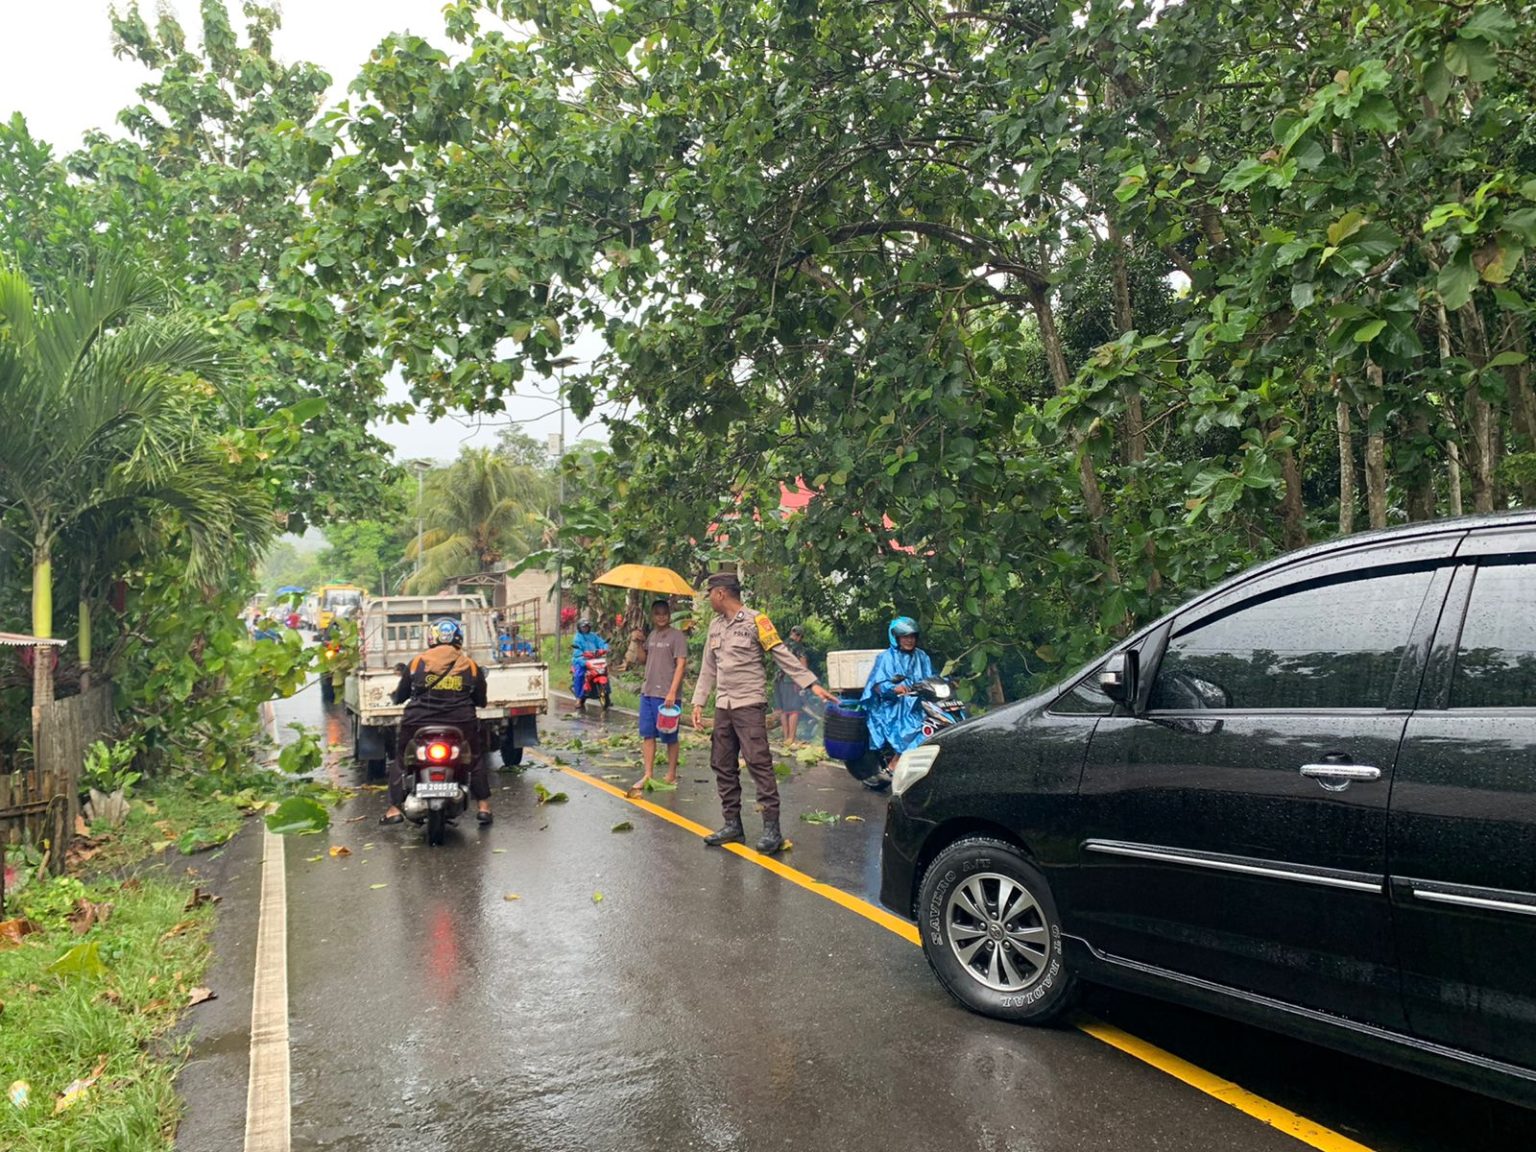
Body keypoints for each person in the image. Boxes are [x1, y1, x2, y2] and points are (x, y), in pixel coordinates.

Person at [691, 573, 838, 853]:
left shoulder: (757, 621)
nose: (709, 598)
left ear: (721, 594)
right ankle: (732, 825)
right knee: (722, 763)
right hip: (724, 705)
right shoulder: (715, 626)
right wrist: (699, 702)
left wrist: (811, 683)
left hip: (749, 704)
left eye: (710, 593)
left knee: (758, 763)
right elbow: (708, 668)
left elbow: (782, 654)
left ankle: (772, 829)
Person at [381, 618, 492, 827]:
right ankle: (484, 806)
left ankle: (394, 809)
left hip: (417, 722)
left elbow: (401, 695)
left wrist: (395, 697)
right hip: (461, 723)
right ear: (458, 638)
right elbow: (481, 700)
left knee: (402, 760)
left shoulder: (416, 663)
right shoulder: (471, 666)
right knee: (475, 760)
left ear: (432, 637)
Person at [632, 598, 689, 792]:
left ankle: (671, 774)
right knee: (648, 735)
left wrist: (672, 692)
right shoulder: (652, 636)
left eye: (665, 613)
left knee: (669, 736)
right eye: (658, 613)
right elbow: (642, 660)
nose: (661, 616)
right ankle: (648, 774)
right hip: (648, 692)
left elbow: (681, 664)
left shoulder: (677, 637)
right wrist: (638, 642)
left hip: (667, 695)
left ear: (669, 615)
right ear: (653, 616)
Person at [861, 616, 935, 763]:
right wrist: (894, 689)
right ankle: (894, 764)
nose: (909, 640)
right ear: (896, 638)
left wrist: (948, 682)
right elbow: (876, 685)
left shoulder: (922, 656)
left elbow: (932, 676)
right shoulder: (886, 657)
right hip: (894, 705)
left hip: (920, 702)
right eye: (905, 637)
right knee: (912, 726)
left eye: (912, 636)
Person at [774, 624, 812, 749]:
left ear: (791, 632)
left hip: (778, 680)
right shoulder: (798, 646)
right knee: (794, 709)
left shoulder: (781, 645)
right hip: (790, 680)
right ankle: (792, 739)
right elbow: (803, 665)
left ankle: (786, 739)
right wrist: (805, 682)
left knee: (783, 710)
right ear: (800, 636)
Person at [570, 617, 608, 706]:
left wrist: (604, 649)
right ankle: (579, 698)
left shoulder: (593, 635)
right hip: (581, 660)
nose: (585, 628)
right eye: (583, 627)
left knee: (604, 672)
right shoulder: (577, 638)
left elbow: (602, 643)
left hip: (595, 659)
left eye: (587, 626)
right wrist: (582, 657)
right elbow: (577, 651)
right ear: (579, 628)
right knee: (579, 675)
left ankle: (607, 694)